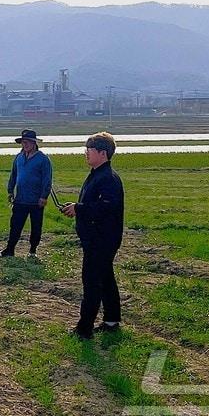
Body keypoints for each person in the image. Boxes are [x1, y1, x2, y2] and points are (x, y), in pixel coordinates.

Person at [60, 131, 124, 339]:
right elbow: (92, 205)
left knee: (92, 282)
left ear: (102, 153)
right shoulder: (97, 174)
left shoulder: (108, 178)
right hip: (97, 238)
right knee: (106, 279)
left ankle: (84, 328)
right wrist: (76, 208)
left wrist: (79, 209)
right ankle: (112, 320)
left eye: (89, 150)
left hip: (101, 240)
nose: (85, 153)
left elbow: (106, 208)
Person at [0, 129, 52, 259]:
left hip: (36, 200)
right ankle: (10, 249)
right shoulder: (19, 157)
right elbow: (13, 175)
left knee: (36, 227)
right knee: (15, 225)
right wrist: (10, 191)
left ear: (34, 143)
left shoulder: (43, 159)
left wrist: (44, 196)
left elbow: (47, 180)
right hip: (20, 199)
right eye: (23, 142)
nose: (25, 145)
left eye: (27, 142)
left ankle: (33, 251)